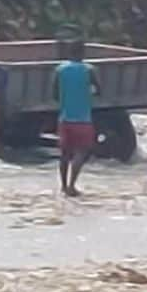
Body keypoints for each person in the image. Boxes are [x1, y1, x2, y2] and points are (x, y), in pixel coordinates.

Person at [53, 39, 101, 196]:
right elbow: (98, 90)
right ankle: (72, 185)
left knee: (64, 154)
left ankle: (63, 185)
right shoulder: (89, 70)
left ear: (69, 52)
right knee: (82, 151)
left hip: (65, 118)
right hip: (83, 119)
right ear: (83, 53)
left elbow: (54, 94)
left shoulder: (60, 69)